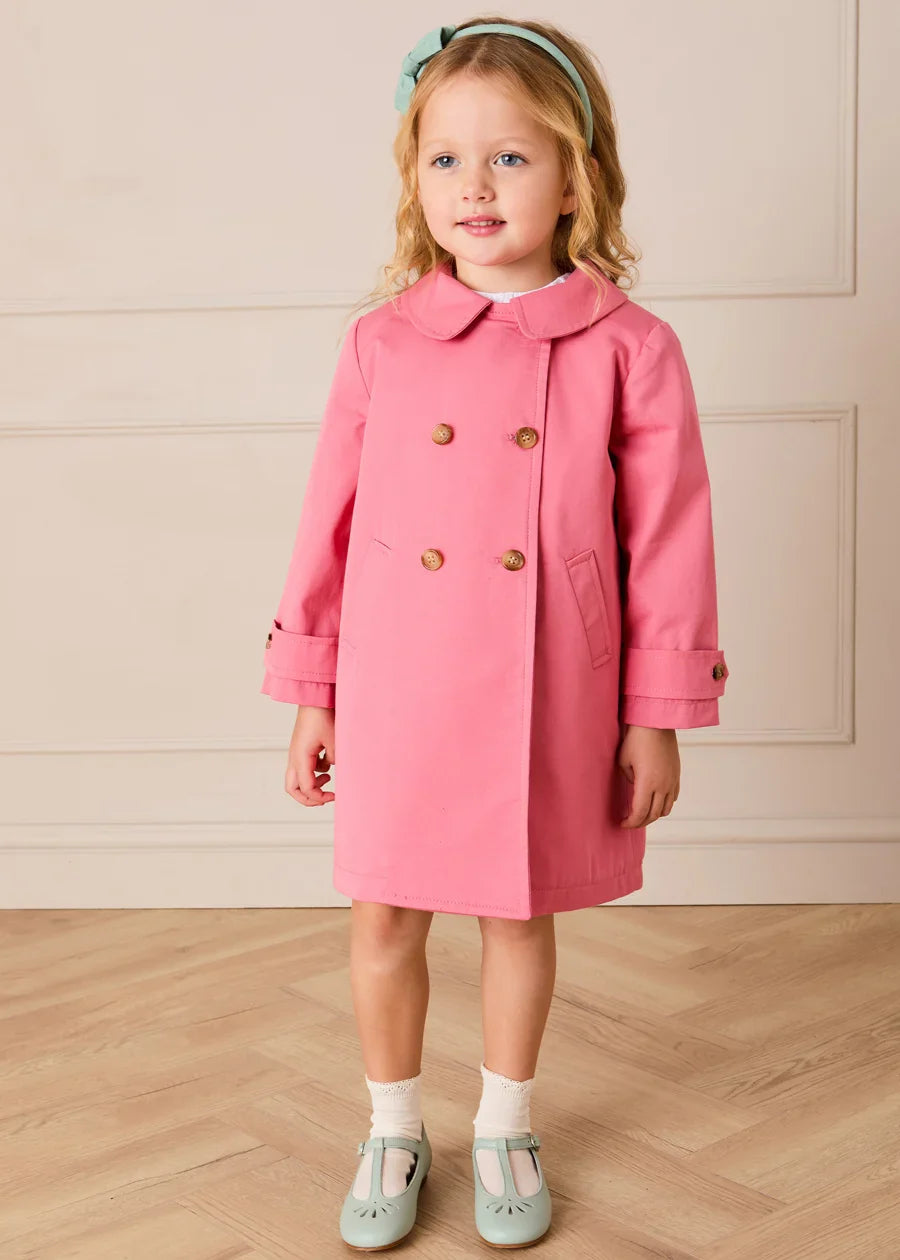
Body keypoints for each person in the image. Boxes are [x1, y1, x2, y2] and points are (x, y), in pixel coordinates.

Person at [260, 17, 729, 1251]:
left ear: (576, 177)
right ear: (414, 181)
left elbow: (669, 541)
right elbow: (328, 525)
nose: (475, 186)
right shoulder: (381, 342)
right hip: (398, 679)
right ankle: (391, 1127)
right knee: (383, 915)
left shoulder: (630, 348)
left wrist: (657, 715)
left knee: (520, 912)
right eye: (446, 160)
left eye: (511, 157)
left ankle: (507, 1124)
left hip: (549, 680)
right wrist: (313, 690)